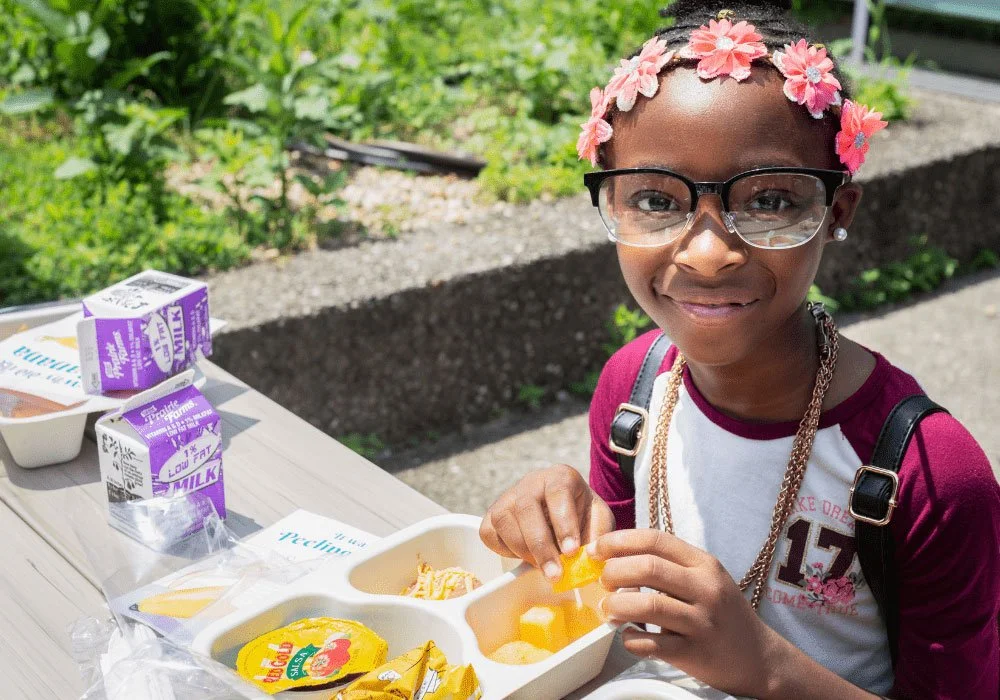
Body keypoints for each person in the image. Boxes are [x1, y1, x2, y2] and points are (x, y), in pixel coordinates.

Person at [478, 0, 1000, 697]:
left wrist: (767, 667)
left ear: (835, 213)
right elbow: (612, 613)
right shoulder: (632, 393)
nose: (707, 253)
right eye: (657, 202)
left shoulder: (926, 473)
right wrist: (561, 533)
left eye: (771, 202)